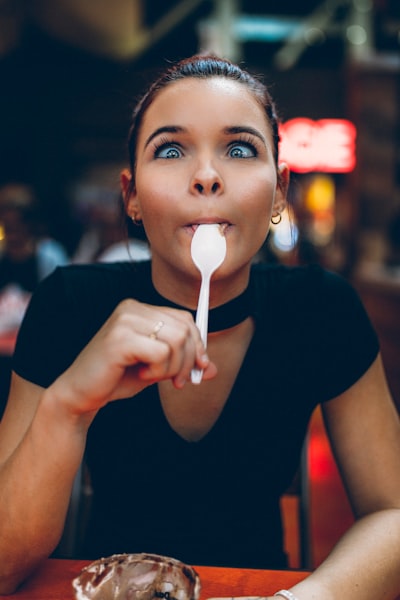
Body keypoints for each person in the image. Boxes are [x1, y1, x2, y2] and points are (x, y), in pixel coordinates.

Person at [0, 55, 399, 599]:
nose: (207, 176)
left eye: (239, 149)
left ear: (280, 189)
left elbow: (394, 514)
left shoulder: (321, 310)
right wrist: (67, 405)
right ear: (132, 196)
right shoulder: (69, 305)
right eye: (170, 149)